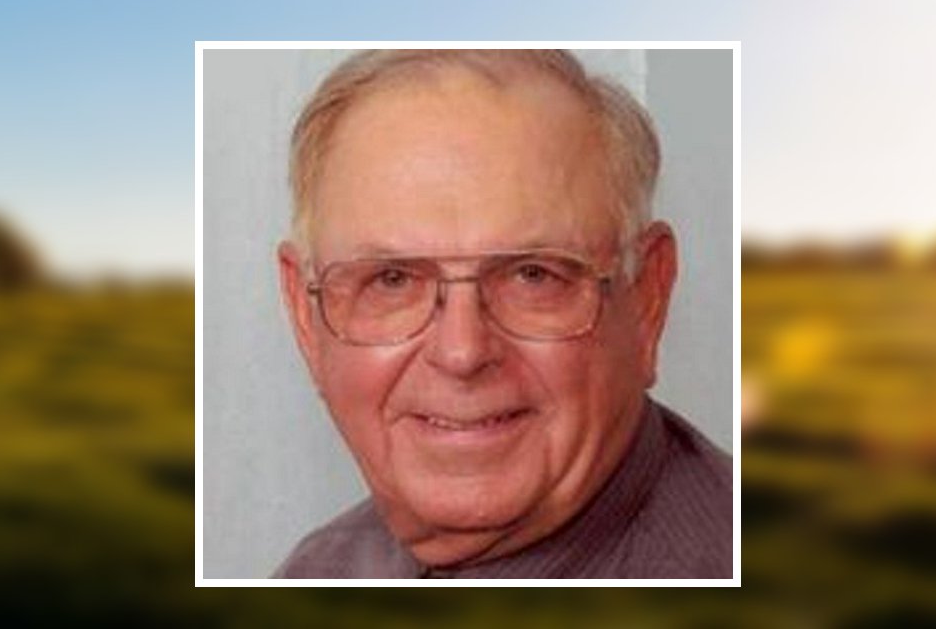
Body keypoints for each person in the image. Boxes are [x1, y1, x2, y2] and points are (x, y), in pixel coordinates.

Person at [274, 50, 731, 578]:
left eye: (532, 275)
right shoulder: (322, 569)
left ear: (647, 297)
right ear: (305, 318)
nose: (461, 352)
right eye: (391, 279)